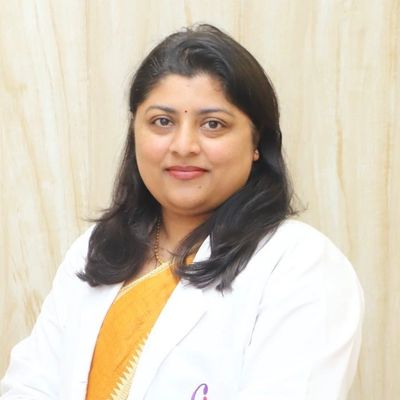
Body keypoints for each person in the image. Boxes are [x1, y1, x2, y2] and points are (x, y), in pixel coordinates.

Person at [0, 24, 363, 399]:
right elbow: (29, 386)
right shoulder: (97, 249)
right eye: (162, 122)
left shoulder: (300, 265)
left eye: (213, 124)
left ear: (257, 141)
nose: (184, 145)